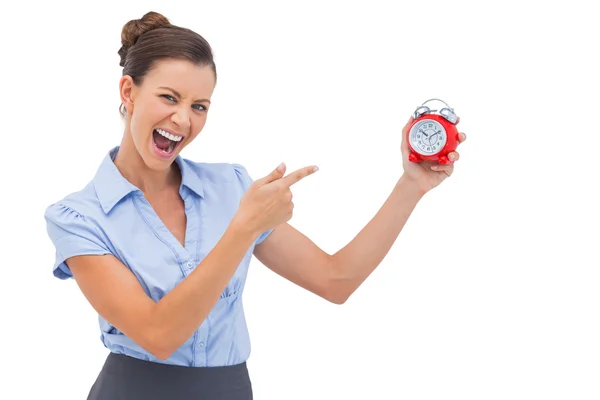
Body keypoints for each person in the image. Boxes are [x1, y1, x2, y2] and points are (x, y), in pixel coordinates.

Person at [44, 11, 466, 400]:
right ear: (128, 92)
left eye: (199, 106)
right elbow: (159, 334)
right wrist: (244, 228)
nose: (183, 120)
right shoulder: (80, 217)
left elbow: (336, 280)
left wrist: (411, 185)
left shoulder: (229, 188)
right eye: (169, 97)